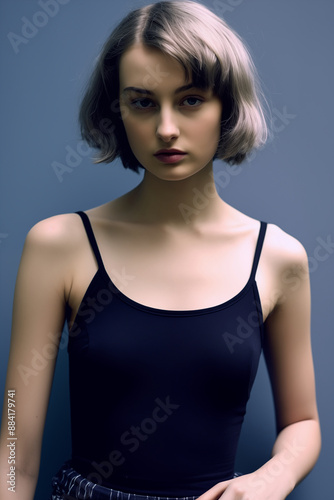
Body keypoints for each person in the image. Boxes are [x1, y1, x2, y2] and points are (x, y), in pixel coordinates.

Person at [0, 1, 321, 499]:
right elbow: (15, 447)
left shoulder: (280, 258)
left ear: (227, 107)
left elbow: (303, 422)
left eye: (191, 100)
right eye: (143, 102)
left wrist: (270, 479)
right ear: (118, 110)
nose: (166, 128)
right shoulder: (58, 246)